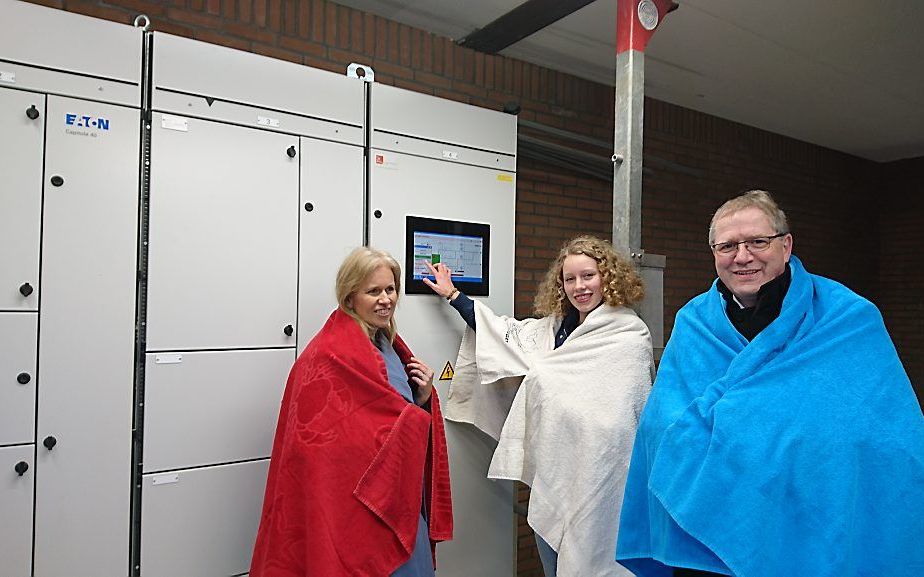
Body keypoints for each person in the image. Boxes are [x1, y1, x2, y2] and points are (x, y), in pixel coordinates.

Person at [616, 190, 924, 577]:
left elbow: (886, 433)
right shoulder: (693, 321)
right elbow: (662, 424)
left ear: (786, 245)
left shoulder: (848, 317)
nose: (742, 257)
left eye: (757, 242)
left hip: (814, 517)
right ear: (713, 253)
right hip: (708, 526)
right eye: (727, 246)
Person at [423, 235, 654, 577]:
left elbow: (623, 417)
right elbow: (501, 335)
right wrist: (455, 297)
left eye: (588, 275)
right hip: (554, 471)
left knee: (596, 553)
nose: (580, 286)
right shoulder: (552, 329)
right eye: (570, 279)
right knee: (553, 561)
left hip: (603, 474)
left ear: (607, 276)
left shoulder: (629, 335)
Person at [250, 247, 453, 577]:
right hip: (355, 508)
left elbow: (391, 415)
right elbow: (323, 446)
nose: (385, 299)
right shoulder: (328, 355)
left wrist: (424, 397)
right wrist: (413, 417)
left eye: (390, 289)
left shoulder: (387, 342)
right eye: (373, 291)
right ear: (349, 298)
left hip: (395, 499)